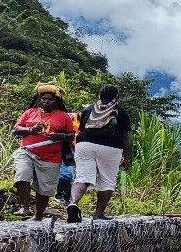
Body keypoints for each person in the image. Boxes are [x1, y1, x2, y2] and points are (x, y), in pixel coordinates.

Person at [67, 84, 132, 222]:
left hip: (85, 145)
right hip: (111, 148)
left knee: (82, 176)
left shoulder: (88, 109)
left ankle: (73, 203)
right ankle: (98, 214)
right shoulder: (120, 112)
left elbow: (81, 128)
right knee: (107, 180)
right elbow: (125, 137)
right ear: (116, 97)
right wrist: (127, 158)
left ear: (99, 96)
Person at [11, 83, 76, 220]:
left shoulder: (64, 117)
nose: (46, 101)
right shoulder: (29, 112)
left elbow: (71, 135)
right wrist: (30, 130)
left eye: (50, 99)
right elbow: (15, 130)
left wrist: (61, 136)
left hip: (51, 158)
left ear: (56, 101)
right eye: (43, 98)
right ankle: (25, 206)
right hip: (27, 151)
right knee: (22, 175)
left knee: (44, 190)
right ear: (39, 99)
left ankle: (38, 216)